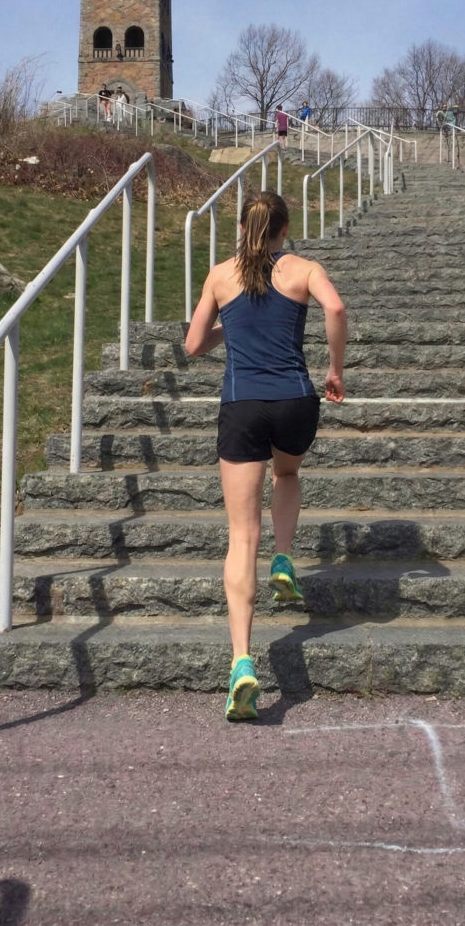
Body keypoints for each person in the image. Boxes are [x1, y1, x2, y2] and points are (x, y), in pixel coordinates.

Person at [185, 191, 347, 722]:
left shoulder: (220, 275)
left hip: (243, 404)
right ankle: (283, 556)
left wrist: (229, 327)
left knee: (238, 536)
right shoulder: (304, 268)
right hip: (296, 402)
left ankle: (241, 663)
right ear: (285, 227)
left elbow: (191, 345)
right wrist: (335, 371)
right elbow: (337, 307)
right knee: (289, 472)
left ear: (240, 226)